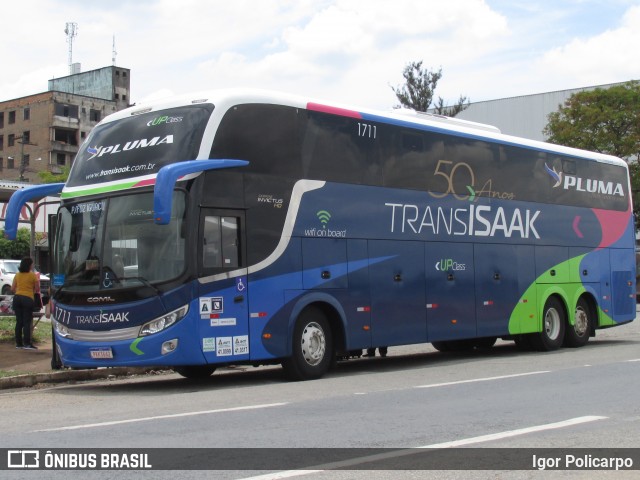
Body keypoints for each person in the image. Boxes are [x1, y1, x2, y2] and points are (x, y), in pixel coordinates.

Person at [10, 257, 40, 350]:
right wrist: (30, 291)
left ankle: (18, 344)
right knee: (27, 322)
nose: (33, 265)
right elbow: (37, 289)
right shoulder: (32, 276)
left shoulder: (17, 275)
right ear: (29, 265)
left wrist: (19, 292)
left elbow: (12, 289)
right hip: (27, 299)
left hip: (17, 298)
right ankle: (27, 343)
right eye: (32, 264)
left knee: (19, 322)